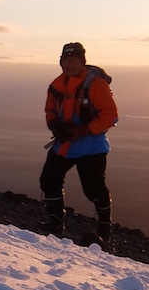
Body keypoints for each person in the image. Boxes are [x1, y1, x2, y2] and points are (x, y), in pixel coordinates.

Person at [40, 41, 118, 242]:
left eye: (74, 61)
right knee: (49, 180)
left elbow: (110, 115)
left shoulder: (96, 85)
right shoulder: (57, 85)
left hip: (92, 146)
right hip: (64, 144)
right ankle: (55, 222)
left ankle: (104, 231)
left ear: (82, 62)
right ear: (61, 62)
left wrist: (83, 130)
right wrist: (55, 125)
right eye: (66, 61)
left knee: (94, 188)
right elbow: (49, 110)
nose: (70, 65)